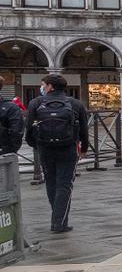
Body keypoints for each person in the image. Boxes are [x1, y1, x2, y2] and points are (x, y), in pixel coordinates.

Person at [25, 74, 90, 234]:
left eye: (43, 85)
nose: (42, 88)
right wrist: (84, 148)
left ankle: (57, 219)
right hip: (68, 148)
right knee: (65, 184)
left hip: (45, 149)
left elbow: (28, 130)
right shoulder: (75, 104)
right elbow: (84, 129)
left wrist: (38, 146)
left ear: (50, 87)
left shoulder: (35, 103)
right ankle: (59, 222)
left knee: (51, 182)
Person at [0, 92, 24, 156]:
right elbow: (17, 131)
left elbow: (16, 132)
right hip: (5, 151)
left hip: (5, 152)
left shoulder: (11, 107)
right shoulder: (12, 107)